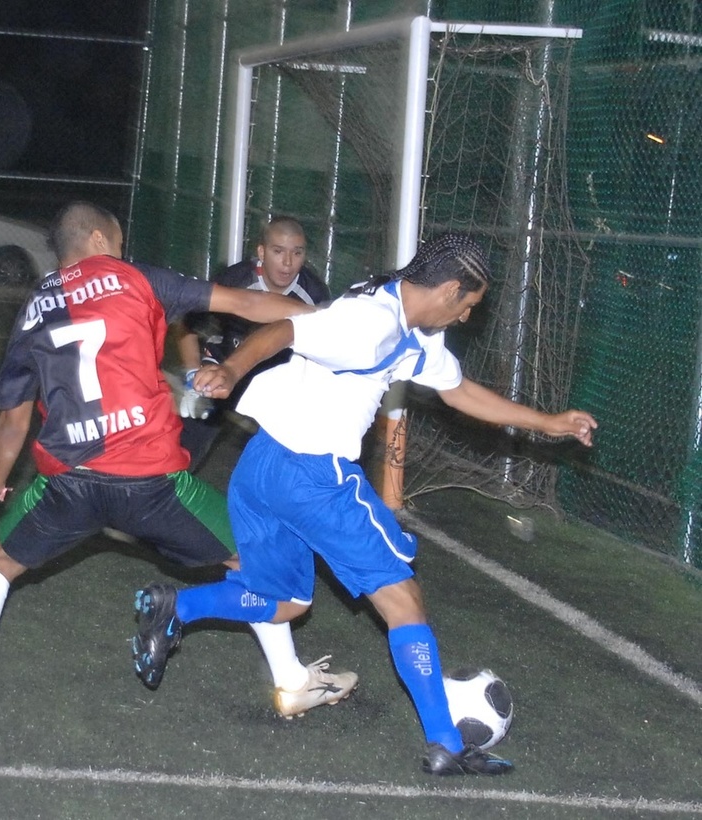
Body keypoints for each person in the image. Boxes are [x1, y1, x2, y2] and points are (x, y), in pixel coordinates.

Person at [131, 233, 598, 775]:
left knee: (284, 602)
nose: (467, 316)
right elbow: (287, 330)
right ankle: (446, 742)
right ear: (449, 290)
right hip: (314, 478)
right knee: (403, 601)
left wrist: (548, 423)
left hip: (261, 467)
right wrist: (232, 370)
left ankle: (175, 608)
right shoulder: (370, 323)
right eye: (468, 304)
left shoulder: (411, 329)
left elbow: (458, 390)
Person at [0, 201, 356, 717]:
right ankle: (292, 682)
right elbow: (247, 302)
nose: (123, 252)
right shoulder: (138, 278)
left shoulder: (35, 306)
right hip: (151, 482)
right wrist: (338, 321)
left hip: (68, 482)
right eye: (120, 243)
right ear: (100, 241)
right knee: (257, 558)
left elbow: (13, 418)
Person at [173, 216, 331, 469]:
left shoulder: (314, 294)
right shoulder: (233, 280)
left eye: (297, 253)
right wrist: (192, 373)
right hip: (224, 368)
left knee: (291, 457)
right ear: (261, 252)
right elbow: (187, 322)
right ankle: (167, 483)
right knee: (187, 442)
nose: (287, 262)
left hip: (277, 380)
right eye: (278, 251)